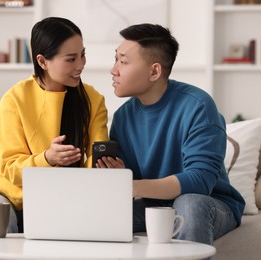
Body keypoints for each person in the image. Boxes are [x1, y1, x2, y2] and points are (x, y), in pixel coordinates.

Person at [96, 23, 245, 246]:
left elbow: (200, 180)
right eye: (115, 59)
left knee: (188, 205)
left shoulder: (198, 106)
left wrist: (133, 185)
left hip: (209, 202)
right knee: (97, 215)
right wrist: (121, 176)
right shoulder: (123, 117)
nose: (114, 69)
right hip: (153, 205)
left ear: (154, 71)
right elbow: (133, 182)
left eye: (123, 62)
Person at [0, 17, 109, 234]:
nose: (81, 65)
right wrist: (47, 159)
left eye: (82, 55)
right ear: (42, 61)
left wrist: (106, 168)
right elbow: (10, 170)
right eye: (70, 59)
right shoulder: (14, 99)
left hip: (58, 201)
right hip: (4, 195)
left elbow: (96, 158)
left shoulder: (92, 99)